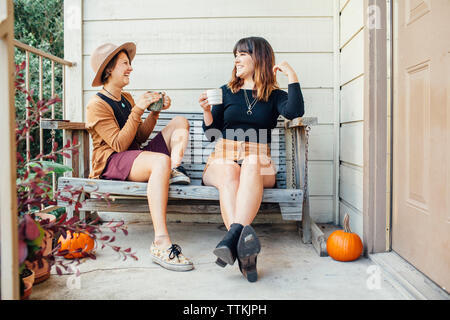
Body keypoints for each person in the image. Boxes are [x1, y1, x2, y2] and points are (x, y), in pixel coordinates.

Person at [198, 37, 305, 282]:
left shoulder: (275, 96)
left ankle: (231, 239)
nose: (236, 59)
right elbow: (211, 134)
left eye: (243, 54)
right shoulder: (225, 92)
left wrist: (292, 76)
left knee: (252, 162)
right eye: (235, 54)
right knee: (228, 171)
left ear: (260, 58)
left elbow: (295, 111)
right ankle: (244, 252)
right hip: (223, 156)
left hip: (258, 162)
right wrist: (206, 111)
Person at [86, 42, 193, 271]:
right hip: (112, 161)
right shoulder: (96, 104)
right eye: (125, 63)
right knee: (159, 160)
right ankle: (161, 242)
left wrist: (153, 112)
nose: (130, 68)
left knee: (179, 123)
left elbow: (140, 138)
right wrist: (139, 109)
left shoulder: (126, 98)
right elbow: (118, 144)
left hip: (135, 155)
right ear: (109, 70)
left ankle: (173, 168)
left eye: (129, 64)